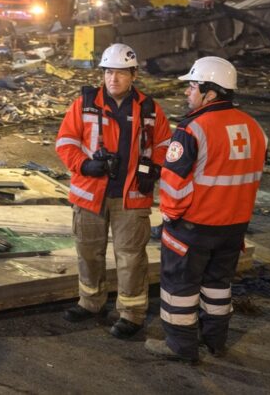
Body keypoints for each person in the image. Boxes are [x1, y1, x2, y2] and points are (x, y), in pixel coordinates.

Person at [145, 57, 267, 363]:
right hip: (234, 227)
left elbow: (173, 184)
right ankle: (216, 341)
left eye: (192, 86)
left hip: (194, 227)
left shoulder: (192, 129)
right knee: (218, 286)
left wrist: (171, 218)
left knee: (179, 289)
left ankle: (180, 346)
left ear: (210, 92)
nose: (188, 92)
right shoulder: (253, 127)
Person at [55, 43, 172, 339]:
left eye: (120, 73)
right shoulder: (84, 104)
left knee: (131, 257)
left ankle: (131, 313)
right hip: (90, 193)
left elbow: (163, 144)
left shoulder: (148, 108)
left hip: (131, 197)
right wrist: (84, 165)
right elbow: (65, 141)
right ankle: (90, 302)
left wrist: (154, 170)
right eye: (108, 72)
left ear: (133, 74)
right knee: (88, 252)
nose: (112, 79)